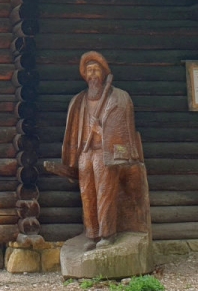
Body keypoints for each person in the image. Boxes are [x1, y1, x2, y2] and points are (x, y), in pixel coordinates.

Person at [44, 51, 150, 250]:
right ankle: (92, 234)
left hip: (105, 153)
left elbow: (123, 132)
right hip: (85, 153)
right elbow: (73, 133)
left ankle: (107, 234)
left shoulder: (118, 98)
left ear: (104, 73)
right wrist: (73, 159)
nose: (92, 74)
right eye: (89, 70)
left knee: (105, 193)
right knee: (87, 193)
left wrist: (100, 131)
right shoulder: (79, 101)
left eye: (96, 70)